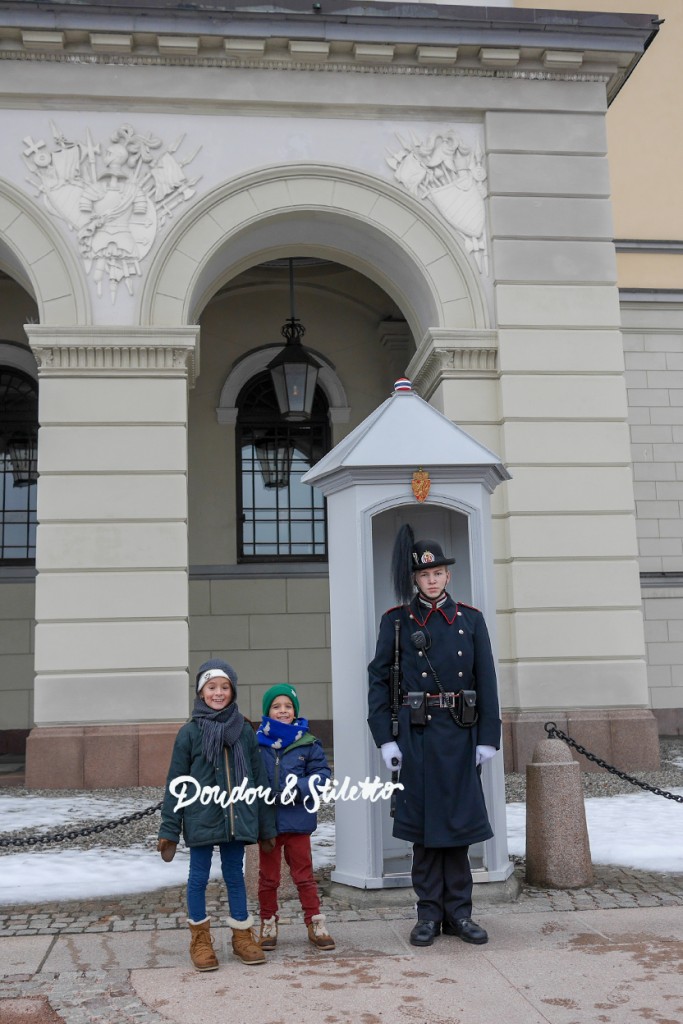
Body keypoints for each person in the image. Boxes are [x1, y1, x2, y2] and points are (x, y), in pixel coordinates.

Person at [367, 524, 501, 948]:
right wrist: (385, 739)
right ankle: (427, 915)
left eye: (438, 573)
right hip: (417, 735)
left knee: (458, 831)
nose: (432, 580)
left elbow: (487, 680)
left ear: (447, 576)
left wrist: (487, 738)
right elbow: (378, 681)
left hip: (460, 735)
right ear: (415, 579)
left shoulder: (470, 620)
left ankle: (459, 914)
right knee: (424, 834)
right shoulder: (397, 623)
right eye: (424, 575)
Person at [157, 658, 277, 970]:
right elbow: (176, 783)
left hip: (237, 818)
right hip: (200, 817)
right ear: (201, 692)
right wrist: (169, 829)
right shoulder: (190, 733)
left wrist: (266, 827)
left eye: (224, 687)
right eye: (212, 687)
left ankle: (241, 936)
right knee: (197, 877)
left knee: (234, 876)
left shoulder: (244, 731)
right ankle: (200, 939)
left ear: (233, 692)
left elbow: (258, 780)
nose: (218, 692)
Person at [256, 683, 336, 951]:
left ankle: (315, 921)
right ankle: (268, 922)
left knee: (304, 875)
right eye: (276, 706)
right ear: (268, 711)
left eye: (288, 706)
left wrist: (298, 790)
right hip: (268, 824)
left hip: (298, 822)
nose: (282, 711)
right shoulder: (258, 744)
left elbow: (322, 775)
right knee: (268, 878)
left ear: (295, 710)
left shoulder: (308, 742)